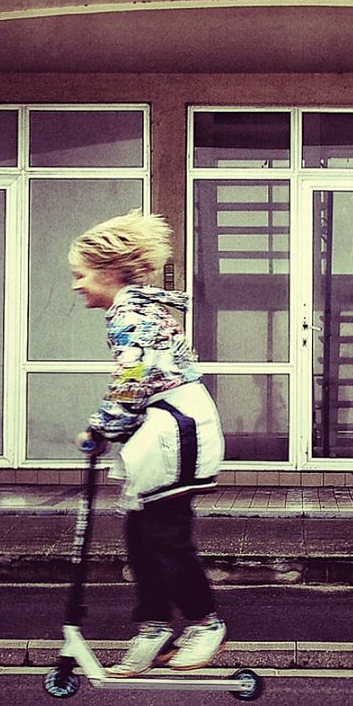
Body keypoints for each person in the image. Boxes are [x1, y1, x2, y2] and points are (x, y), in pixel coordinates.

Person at [70, 209, 227, 677]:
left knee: (165, 535)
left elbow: (132, 380)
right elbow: (139, 380)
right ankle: (154, 627)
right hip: (159, 428)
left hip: (175, 428)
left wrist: (100, 430)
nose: (77, 286)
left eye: (81, 275)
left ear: (109, 272)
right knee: (140, 536)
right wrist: (111, 429)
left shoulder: (131, 313)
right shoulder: (133, 309)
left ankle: (205, 623)